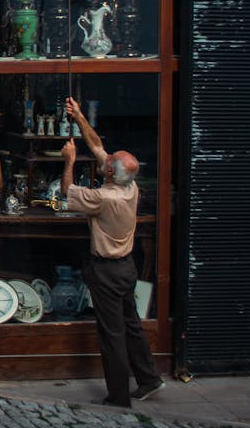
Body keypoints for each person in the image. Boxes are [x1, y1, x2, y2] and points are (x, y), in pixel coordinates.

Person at [60, 96, 164, 408]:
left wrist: (69, 160)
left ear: (108, 173)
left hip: (106, 271)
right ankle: (149, 379)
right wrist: (78, 116)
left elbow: (66, 192)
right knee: (131, 325)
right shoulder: (130, 187)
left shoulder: (104, 198)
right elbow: (97, 147)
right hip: (127, 268)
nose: (104, 159)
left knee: (112, 335)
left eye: (108, 161)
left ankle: (118, 397)